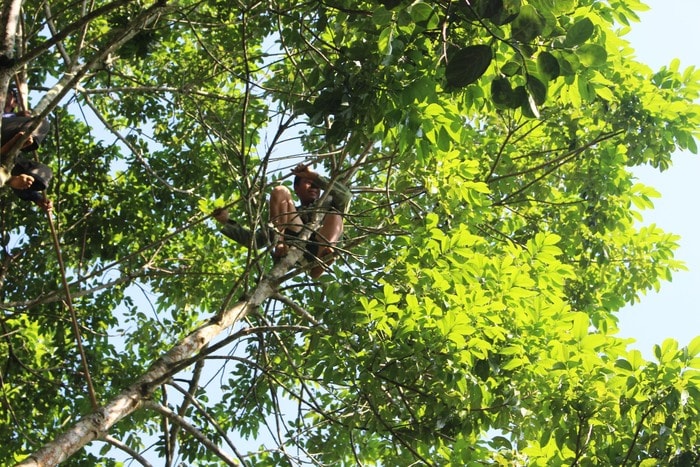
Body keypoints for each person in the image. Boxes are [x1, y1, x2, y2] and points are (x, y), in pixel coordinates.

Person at [214, 164, 351, 278]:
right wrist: (226, 221)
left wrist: (313, 176)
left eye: (317, 185)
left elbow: (345, 196)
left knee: (336, 215)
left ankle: (321, 261)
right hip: (297, 245)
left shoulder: (329, 204)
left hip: (321, 245)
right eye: (308, 183)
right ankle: (279, 243)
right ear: (296, 189)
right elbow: (255, 240)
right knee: (280, 190)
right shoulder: (285, 213)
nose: (314, 187)